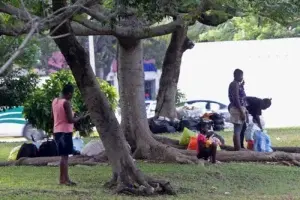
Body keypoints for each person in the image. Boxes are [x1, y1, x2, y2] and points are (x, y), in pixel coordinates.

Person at [52, 83, 86, 186]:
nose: (72, 96)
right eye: (72, 94)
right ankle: (65, 180)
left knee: (63, 156)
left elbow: (53, 116)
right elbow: (71, 120)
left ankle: (63, 179)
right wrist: (80, 117)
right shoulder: (66, 103)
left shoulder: (54, 101)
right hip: (65, 132)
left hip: (57, 131)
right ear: (69, 93)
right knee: (65, 157)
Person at [228, 69, 247, 151]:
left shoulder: (236, 84)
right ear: (236, 75)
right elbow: (236, 98)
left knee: (239, 129)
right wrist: (241, 111)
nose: (242, 77)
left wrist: (242, 86)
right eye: (241, 76)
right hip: (237, 108)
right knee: (237, 130)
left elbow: (239, 95)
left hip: (238, 108)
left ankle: (238, 148)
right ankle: (238, 150)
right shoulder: (234, 84)